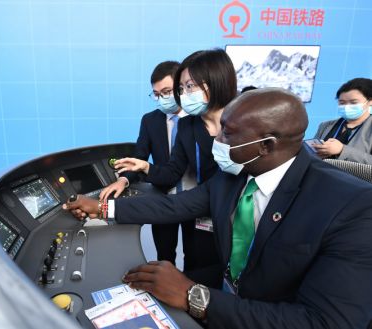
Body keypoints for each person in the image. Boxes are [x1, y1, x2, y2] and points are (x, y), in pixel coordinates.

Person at [64, 88, 372, 329]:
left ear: (266, 145)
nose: (217, 139)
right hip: (229, 297)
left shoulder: (352, 207)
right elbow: (175, 206)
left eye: (227, 133)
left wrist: (194, 297)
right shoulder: (233, 176)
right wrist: (103, 209)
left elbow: (327, 323)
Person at [110, 48, 237, 271]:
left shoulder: (240, 120)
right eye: (181, 89)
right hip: (176, 199)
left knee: (205, 259)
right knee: (174, 258)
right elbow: (168, 168)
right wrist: (140, 170)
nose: (183, 94)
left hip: (218, 207)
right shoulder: (178, 125)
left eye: (188, 87)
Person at [100, 60, 192, 266]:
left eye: (167, 92)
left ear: (181, 87)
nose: (162, 99)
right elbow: (139, 156)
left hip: (196, 200)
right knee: (165, 257)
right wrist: (123, 180)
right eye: (157, 94)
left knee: (195, 257)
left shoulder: (198, 119)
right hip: (163, 198)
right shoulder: (150, 120)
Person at [313, 77, 372, 164]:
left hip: (354, 177)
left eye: (353, 102)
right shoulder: (325, 125)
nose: (347, 106)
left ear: (370, 101)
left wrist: (342, 150)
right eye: (342, 103)